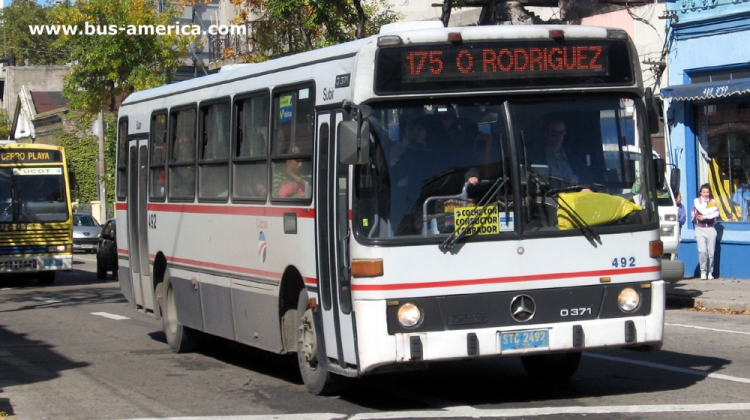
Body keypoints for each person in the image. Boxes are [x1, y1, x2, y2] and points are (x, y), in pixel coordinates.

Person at [693, 183, 719, 280]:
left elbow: (716, 213)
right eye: (704, 192)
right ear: (700, 193)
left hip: (711, 228)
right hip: (700, 229)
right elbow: (702, 210)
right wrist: (710, 212)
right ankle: (703, 271)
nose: (706, 194)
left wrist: (705, 217)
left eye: (707, 192)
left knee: (711, 252)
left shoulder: (713, 201)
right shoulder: (697, 201)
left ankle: (710, 272)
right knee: (703, 251)